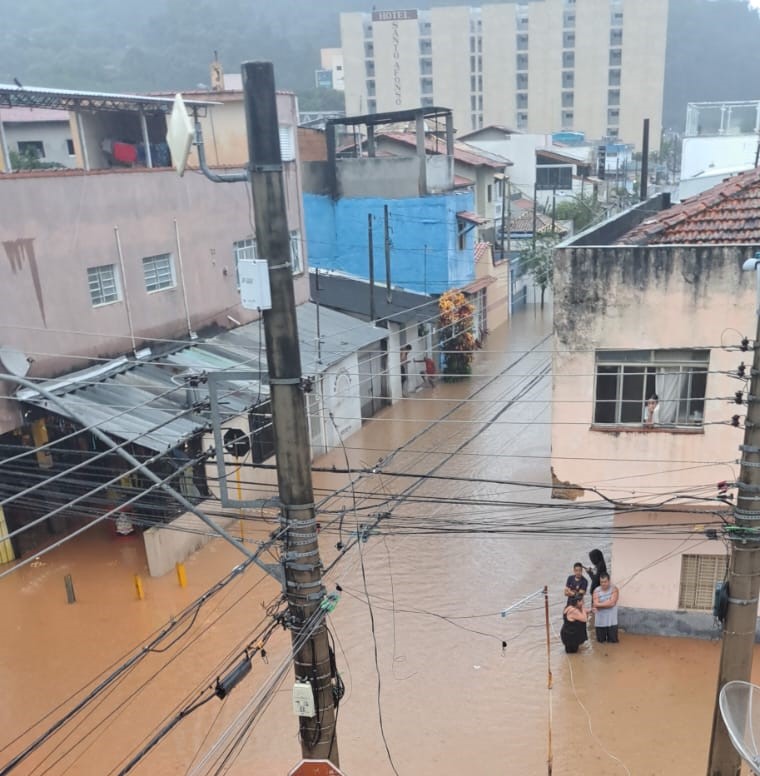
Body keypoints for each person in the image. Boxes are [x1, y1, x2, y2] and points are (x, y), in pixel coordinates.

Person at [592, 573, 619, 643]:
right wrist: (608, 602)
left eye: (605, 582)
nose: (603, 584)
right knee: (600, 643)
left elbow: (612, 603)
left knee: (613, 643)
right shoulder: (596, 590)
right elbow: (595, 604)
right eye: (601, 582)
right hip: (600, 622)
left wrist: (599, 605)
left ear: (609, 581)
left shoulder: (614, 589)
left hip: (612, 622)